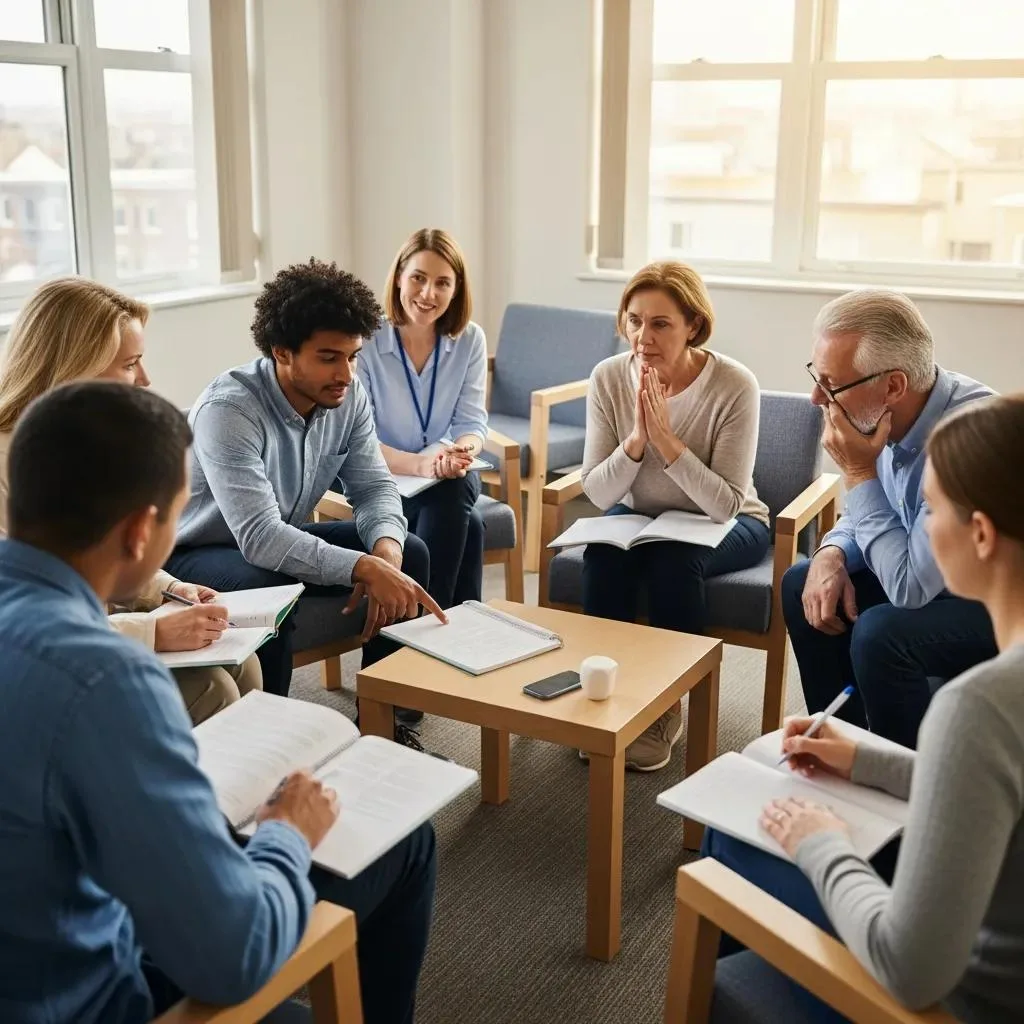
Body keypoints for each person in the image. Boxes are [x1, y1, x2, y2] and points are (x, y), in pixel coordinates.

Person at [0, 382, 436, 1024]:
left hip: (47, 924)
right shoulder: (105, 680)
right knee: (405, 843)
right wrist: (286, 834)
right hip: (85, 996)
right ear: (143, 531)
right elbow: (235, 954)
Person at [704, 393, 1024, 1024]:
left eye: (931, 510)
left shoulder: (980, 707)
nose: (923, 527)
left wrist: (821, 842)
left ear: (980, 534)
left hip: (964, 1001)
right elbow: (998, 788)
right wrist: (871, 760)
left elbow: (909, 969)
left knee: (739, 835)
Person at [167, 259, 445, 714]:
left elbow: (374, 486)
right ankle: (271, 737)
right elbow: (260, 538)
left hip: (275, 537)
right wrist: (364, 569)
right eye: (329, 358)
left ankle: (389, 720)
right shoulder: (229, 410)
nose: (346, 374)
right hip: (200, 552)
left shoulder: (346, 395)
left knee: (411, 551)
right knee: (268, 586)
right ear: (282, 352)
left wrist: (386, 557)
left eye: (353, 356)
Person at [0, 277, 261, 726]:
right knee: (212, 689)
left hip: (90, 632)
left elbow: (110, 554)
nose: (145, 380)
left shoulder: (87, 440)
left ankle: (245, 787)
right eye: (130, 364)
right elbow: (19, 625)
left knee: (243, 664)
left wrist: (170, 590)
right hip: (38, 664)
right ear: (74, 366)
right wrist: (151, 631)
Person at [782, 288, 997, 748]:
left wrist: (857, 473)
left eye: (831, 383)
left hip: (998, 600)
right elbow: (881, 509)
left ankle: (901, 788)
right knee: (804, 579)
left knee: (883, 633)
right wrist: (832, 551)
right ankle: (840, 746)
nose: (816, 398)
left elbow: (909, 588)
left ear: (893, 385)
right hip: (936, 574)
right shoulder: (887, 413)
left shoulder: (963, 439)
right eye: (815, 376)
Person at [580, 261, 770, 771]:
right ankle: (608, 700)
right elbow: (598, 492)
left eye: (661, 323)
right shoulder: (608, 377)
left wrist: (666, 440)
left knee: (671, 561)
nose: (643, 336)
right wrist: (637, 442)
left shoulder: (734, 384)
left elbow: (726, 502)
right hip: (639, 519)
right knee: (601, 557)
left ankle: (666, 707)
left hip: (731, 523)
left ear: (693, 326)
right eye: (635, 320)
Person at [356, 228, 487, 609]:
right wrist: (424, 465)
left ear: (456, 290)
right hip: (379, 475)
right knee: (471, 525)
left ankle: (420, 626)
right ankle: (448, 629)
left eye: (442, 283)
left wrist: (459, 454)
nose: (428, 294)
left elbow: (472, 424)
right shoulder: (365, 339)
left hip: (439, 474)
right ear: (398, 277)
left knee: (456, 485)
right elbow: (358, 443)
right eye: (418, 278)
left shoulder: (470, 339)